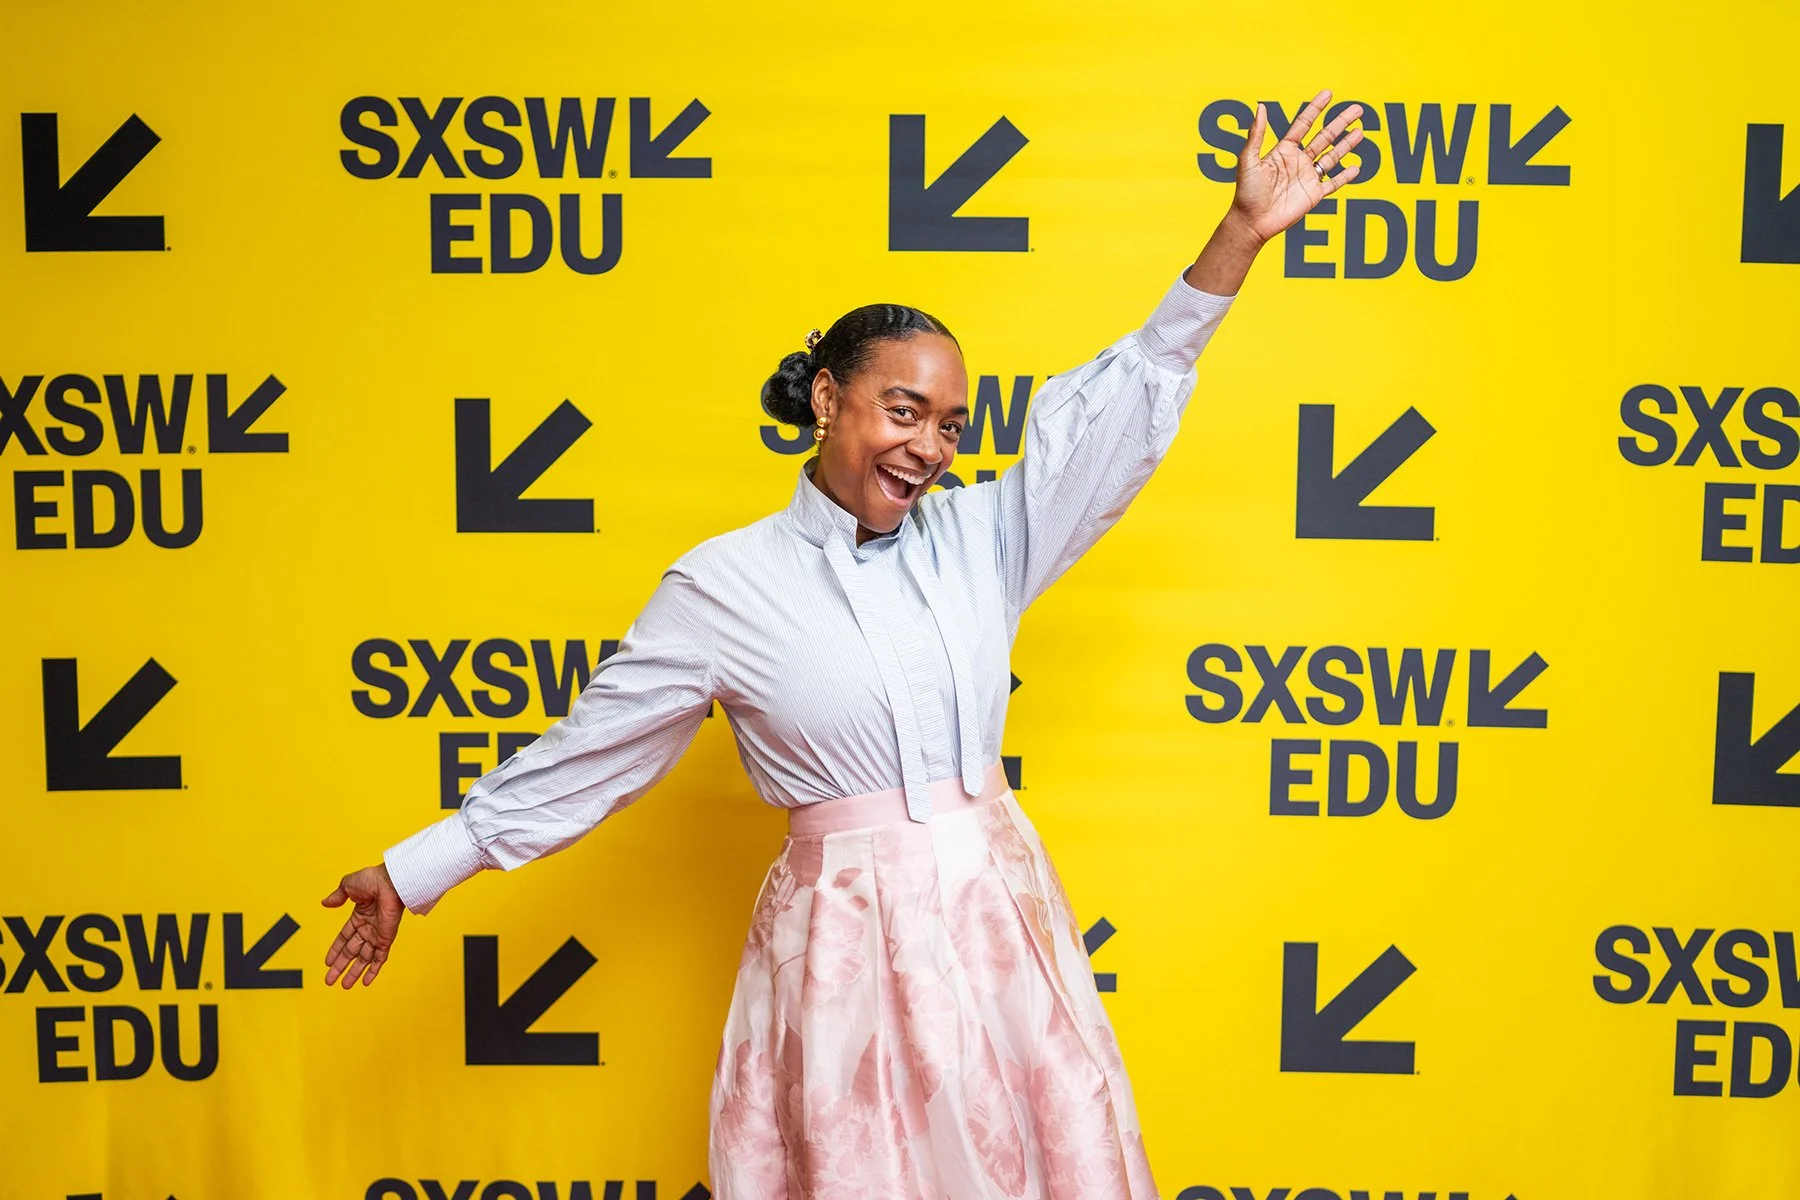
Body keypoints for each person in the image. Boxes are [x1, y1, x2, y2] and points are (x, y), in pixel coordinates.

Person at [323, 90, 1365, 1198]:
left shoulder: (984, 536)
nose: (929, 448)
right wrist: (417, 867)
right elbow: (598, 752)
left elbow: (1112, 414)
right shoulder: (722, 586)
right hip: (842, 961)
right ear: (829, 398)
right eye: (903, 411)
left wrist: (1237, 239)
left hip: (1001, 928)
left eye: (951, 424)